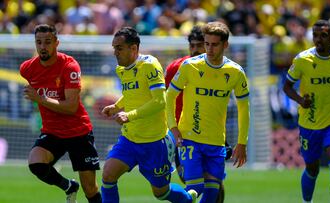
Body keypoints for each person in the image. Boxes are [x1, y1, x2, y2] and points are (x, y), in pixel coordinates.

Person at [100, 27, 197, 203]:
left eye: (119, 48)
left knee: (161, 193)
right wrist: (116, 106)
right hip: (129, 140)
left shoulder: (150, 65)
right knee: (108, 175)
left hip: (155, 143)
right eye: (114, 48)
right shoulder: (122, 70)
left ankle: (187, 199)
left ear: (134, 48)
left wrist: (129, 115)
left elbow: (160, 101)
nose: (115, 52)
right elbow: (133, 93)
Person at [166, 21, 250, 203]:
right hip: (189, 138)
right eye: (207, 44)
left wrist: (242, 142)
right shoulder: (189, 66)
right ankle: (163, 190)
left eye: (215, 44)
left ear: (225, 45)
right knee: (196, 187)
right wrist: (173, 127)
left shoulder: (236, 72)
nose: (209, 49)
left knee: (213, 193)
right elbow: (169, 96)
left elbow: (244, 108)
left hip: (216, 142)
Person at [20, 24, 101, 203]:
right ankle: (69, 186)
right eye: (39, 42)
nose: (43, 46)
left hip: (78, 131)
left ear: (57, 43)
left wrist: (39, 99)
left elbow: (71, 107)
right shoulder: (27, 69)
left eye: (47, 42)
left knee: (90, 189)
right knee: (36, 163)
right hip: (52, 132)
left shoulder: (70, 66)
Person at [283, 19, 330, 203]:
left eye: (323, 36)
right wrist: (301, 100)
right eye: (315, 36)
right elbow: (287, 87)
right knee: (312, 168)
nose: (318, 40)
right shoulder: (303, 60)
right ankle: (306, 201)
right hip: (309, 122)